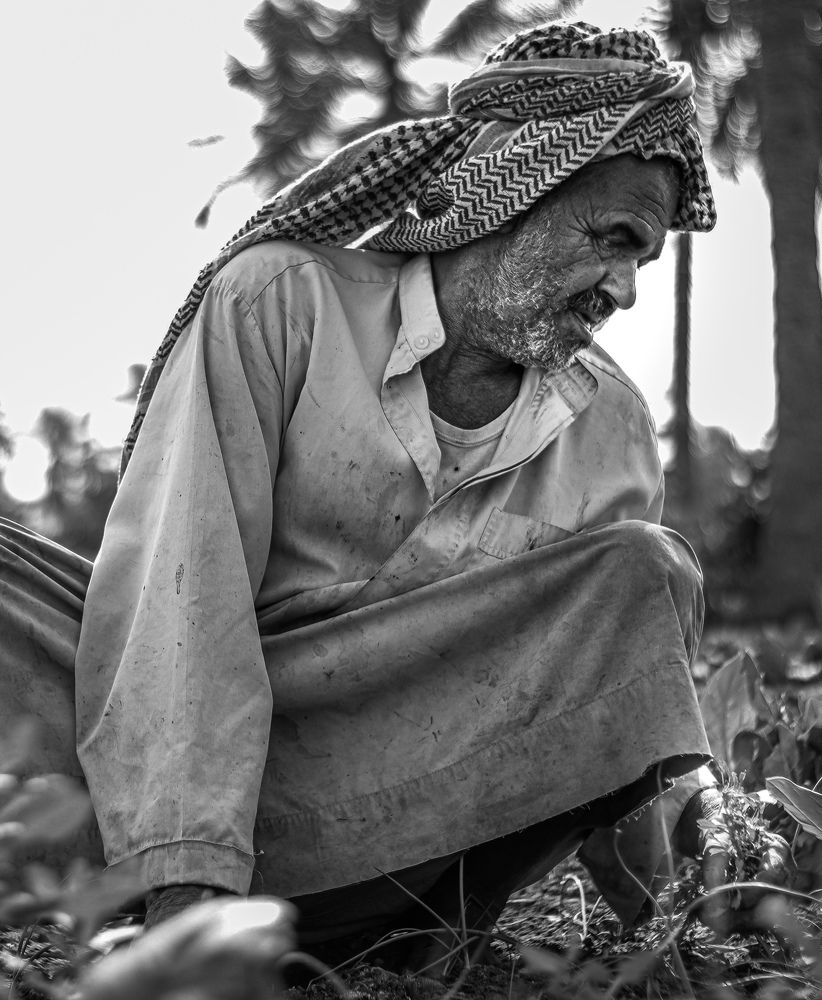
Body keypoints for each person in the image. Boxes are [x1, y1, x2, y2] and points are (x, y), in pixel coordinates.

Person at [0, 20, 786, 972]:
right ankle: (179, 892)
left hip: (406, 842)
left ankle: (347, 926)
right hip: (164, 799)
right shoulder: (279, 303)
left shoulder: (610, 425)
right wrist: (190, 888)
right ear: (511, 185)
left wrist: (711, 859)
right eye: (614, 240)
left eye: (642, 261)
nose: (623, 290)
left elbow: (613, 710)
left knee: (641, 571)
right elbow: (181, 596)